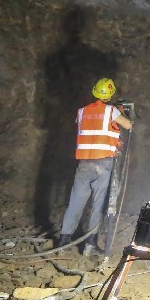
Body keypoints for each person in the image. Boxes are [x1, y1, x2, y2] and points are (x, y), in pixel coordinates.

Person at [58, 78, 133, 255]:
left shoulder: (82, 111)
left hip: (84, 164)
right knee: (98, 204)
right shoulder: (111, 111)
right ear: (111, 94)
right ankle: (90, 245)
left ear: (94, 92)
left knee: (75, 202)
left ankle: (63, 242)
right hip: (103, 164)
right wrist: (122, 113)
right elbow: (128, 125)